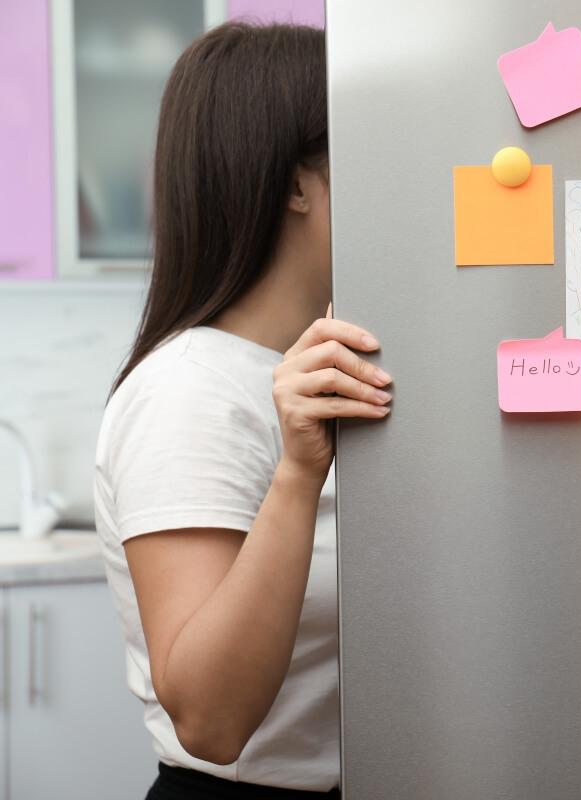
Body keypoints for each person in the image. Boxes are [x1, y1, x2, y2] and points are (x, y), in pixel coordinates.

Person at [94, 22, 385, 798]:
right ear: (298, 184)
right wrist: (296, 474)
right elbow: (211, 722)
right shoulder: (188, 393)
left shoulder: (333, 364)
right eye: (368, 149)